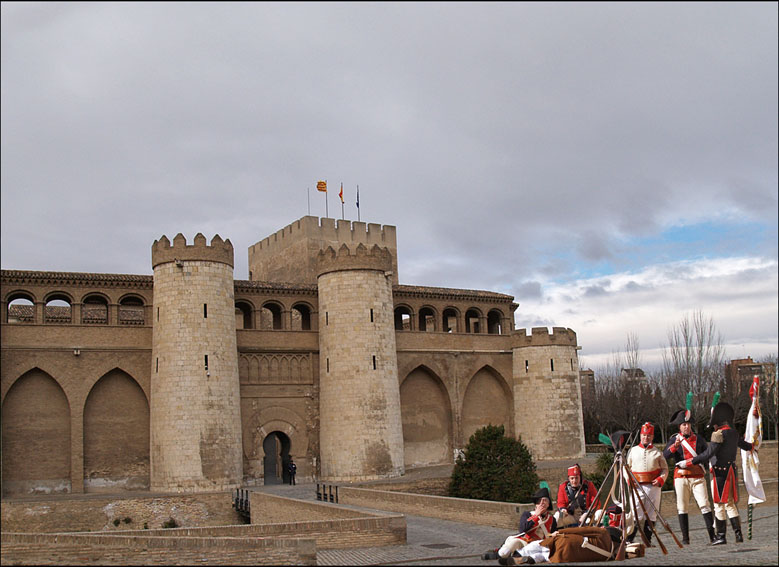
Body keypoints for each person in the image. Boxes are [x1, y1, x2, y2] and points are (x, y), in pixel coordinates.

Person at [680, 402, 755, 545]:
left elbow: (708, 453)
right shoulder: (733, 433)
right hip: (731, 471)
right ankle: (738, 535)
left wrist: (689, 462)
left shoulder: (718, 434)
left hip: (720, 474)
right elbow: (746, 446)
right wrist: (753, 445)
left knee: (719, 504)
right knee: (731, 504)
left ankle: (721, 536)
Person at [663, 406, 716, 544]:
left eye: (688, 424)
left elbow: (708, 454)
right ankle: (685, 539)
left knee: (705, 505)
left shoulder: (699, 439)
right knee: (682, 507)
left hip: (698, 477)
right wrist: (674, 446)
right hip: (681, 477)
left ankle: (713, 536)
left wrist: (711, 466)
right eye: (683, 425)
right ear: (679, 427)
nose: (686, 427)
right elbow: (665, 456)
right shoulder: (674, 440)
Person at [625, 422, 668, 546]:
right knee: (635, 512)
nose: (646, 438)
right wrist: (629, 479)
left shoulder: (657, 452)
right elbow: (626, 467)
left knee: (651, 514)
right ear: (640, 436)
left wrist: (661, 479)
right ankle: (629, 539)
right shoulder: (632, 451)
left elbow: (665, 469)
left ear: (652, 437)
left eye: (648, 436)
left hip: (653, 486)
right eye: (644, 435)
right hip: (636, 486)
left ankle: (647, 540)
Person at [497, 485, 557, 563]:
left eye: (545, 500)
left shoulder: (552, 519)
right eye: (540, 500)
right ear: (536, 504)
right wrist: (536, 516)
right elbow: (523, 529)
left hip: (538, 545)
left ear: (548, 504)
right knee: (503, 553)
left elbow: (551, 536)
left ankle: (516, 556)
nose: (542, 503)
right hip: (524, 541)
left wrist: (554, 535)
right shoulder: (527, 514)